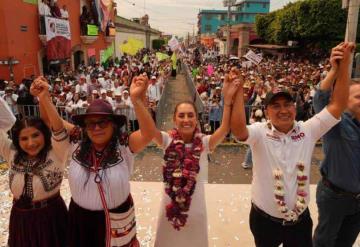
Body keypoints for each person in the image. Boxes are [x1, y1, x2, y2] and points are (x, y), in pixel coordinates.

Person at [230, 42, 353, 247]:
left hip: (299, 221)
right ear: (267, 111)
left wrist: (343, 66)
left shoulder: (308, 130)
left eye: (287, 104)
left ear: (295, 109)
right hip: (264, 220)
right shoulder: (260, 132)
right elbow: (239, 131)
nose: (283, 110)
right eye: (276, 106)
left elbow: (338, 105)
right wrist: (237, 93)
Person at [37, 74, 155, 247]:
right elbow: (48, 120)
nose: (97, 127)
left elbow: (148, 134)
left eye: (103, 122)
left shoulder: (123, 144)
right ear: (84, 127)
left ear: (113, 125)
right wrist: (43, 97)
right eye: (91, 123)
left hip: (117, 220)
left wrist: (136, 99)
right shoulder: (76, 139)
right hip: (81, 221)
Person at [152, 70, 240, 247]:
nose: (186, 119)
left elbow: (224, 128)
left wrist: (228, 100)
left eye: (190, 115)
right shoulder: (166, 140)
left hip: (196, 208)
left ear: (196, 119)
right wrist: (139, 101)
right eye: (181, 115)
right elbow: (148, 131)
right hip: (170, 205)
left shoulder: (205, 143)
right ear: (174, 120)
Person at [0, 76, 70, 247]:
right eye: (24, 138)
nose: (30, 143)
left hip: (51, 217)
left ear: (44, 135)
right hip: (20, 219)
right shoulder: (12, 153)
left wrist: (44, 97)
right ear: (17, 141)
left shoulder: (56, 153)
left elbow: (58, 128)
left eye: (35, 135)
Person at [313, 43, 360, 247]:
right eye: (358, 96)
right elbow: (321, 101)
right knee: (324, 242)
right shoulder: (336, 125)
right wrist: (334, 70)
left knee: (345, 242)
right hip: (334, 197)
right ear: (344, 100)